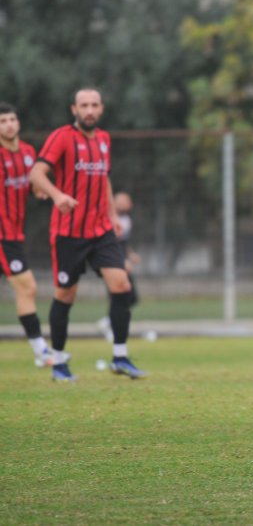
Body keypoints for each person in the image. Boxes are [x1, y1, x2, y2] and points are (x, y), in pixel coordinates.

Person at [30, 87, 146, 381]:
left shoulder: (104, 140)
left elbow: (103, 177)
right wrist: (57, 196)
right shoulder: (62, 137)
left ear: (102, 109)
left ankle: (120, 356)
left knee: (121, 285)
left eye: (94, 105)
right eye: (84, 105)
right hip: (69, 232)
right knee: (66, 294)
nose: (90, 110)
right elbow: (36, 174)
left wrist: (111, 216)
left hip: (101, 230)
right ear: (74, 110)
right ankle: (58, 362)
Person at [0, 102, 54, 367]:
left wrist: (39, 190)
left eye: (11, 119)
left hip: (14, 233)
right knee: (28, 286)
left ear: (18, 123)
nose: (8, 124)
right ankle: (41, 351)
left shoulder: (29, 153)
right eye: (2, 121)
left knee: (26, 288)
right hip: (2, 234)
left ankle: (40, 350)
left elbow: (34, 184)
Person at [97, 191, 141, 340]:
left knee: (131, 297)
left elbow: (123, 242)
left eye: (127, 200)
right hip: (113, 261)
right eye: (121, 200)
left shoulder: (127, 219)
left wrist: (131, 254)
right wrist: (122, 261)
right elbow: (110, 244)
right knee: (118, 294)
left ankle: (109, 322)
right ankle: (112, 326)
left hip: (122, 259)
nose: (125, 203)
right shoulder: (108, 219)